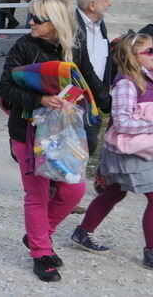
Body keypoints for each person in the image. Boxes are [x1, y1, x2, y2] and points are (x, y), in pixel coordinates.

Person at [0, 0, 111, 282]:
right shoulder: (23, 46)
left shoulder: (74, 45)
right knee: (37, 194)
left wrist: (112, 104)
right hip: (28, 131)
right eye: (30, 16)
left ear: (56, 21)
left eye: (38, 18)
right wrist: (41, 100)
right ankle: (40, 252)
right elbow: (6, 88)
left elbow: (89, 78)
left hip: (64, 132)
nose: (30, 22)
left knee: (74, 190)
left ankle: (40, 235)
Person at [70, 33, 153, 269]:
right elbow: (123, 122)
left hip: (141, 148)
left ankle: (82, 232)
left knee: (114, 192)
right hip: (128, 151)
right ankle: (151, 253)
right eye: (150, 51)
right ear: (133, 56)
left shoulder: (147, 77)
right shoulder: (127, 84)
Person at [75, 0, 113, 155]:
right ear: (92, 5)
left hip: (96, 98)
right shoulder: (72, 26)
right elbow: (83, 68)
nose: (109, 4)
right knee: (78, 148)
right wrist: (105, 98)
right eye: (106, 0)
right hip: (79, 99)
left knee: (88, 147)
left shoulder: (100, 24)